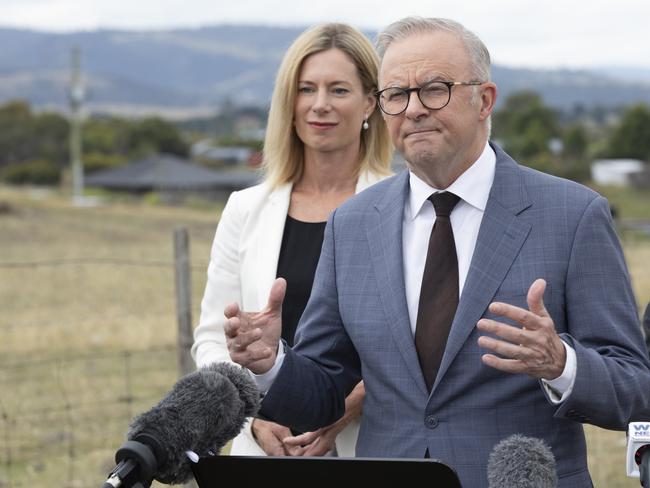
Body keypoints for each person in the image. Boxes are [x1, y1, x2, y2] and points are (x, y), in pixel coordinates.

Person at [224, 17, 650, 486]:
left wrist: (561, 364)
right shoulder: (353, 224)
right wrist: (271, 365)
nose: (414, 110)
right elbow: (324, 391)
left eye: (435, 89)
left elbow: (635, 389)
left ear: (484, 99)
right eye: (397, 95)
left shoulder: (572, 215)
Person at [191, 23, 392, 457]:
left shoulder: (404, 207)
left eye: (338, 90)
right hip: (265, 452)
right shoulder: (245, 210)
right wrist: (256, 413)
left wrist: (343, 408)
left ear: (370, 104)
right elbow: (210, 340)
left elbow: (417, 347)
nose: (320, 105)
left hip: (370, 449)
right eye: (306, 89)